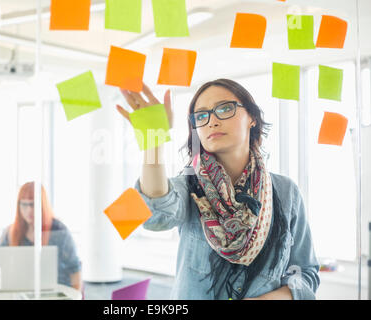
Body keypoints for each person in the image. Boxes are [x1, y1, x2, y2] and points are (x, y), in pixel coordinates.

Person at [116, 79, 320, 300]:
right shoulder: (191, 186)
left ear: (252, 118)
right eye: (201, 116)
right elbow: (156, 215)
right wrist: (152, 143)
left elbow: (305, 273)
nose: (212, 121)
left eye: (224, 108)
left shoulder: (285, 191)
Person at [0, 182, 82, 291]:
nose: (29, 211)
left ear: (42, 205)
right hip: (22, 290)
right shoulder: (10, 232)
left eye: (33, 205)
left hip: (57, 291)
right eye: (24, 204)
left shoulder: (59, 231)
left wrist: (75, 295)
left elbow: (74, 268)